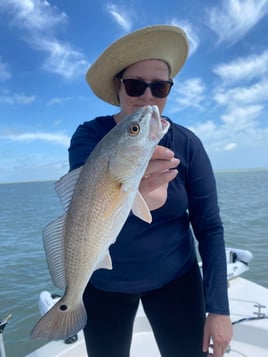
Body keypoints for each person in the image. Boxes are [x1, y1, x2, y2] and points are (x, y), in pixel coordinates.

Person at [68, 25, 233, 357]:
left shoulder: (187, 144)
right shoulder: (90, 138)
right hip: (104, 285)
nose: (147, 97)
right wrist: (139, 192)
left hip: (176, 280)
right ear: (119, 87)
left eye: (159, 87)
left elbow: (209, 227)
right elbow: (90, 199)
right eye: (135, 85)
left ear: (169, 91)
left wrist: (219, 309)